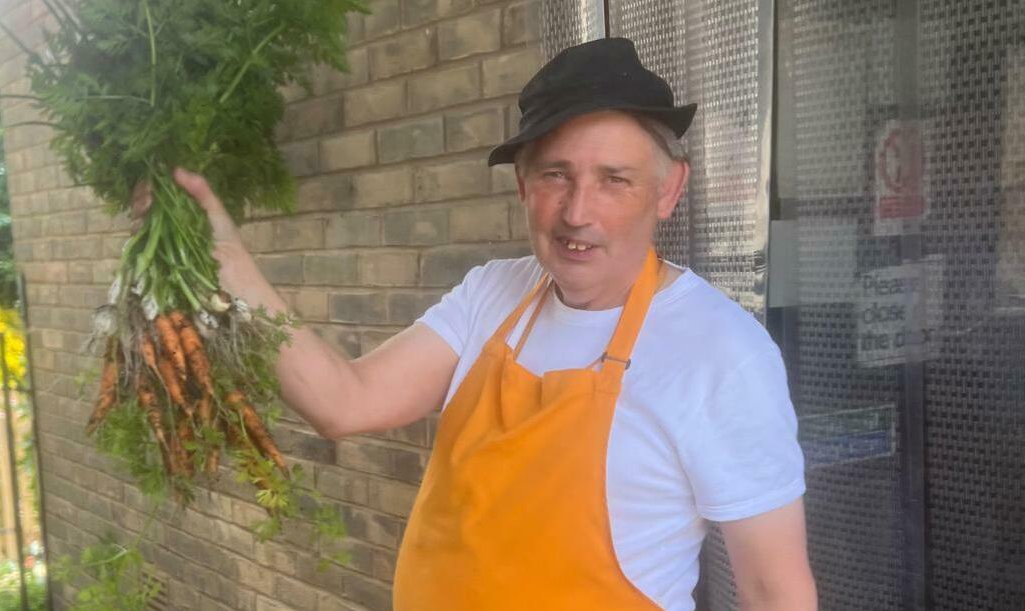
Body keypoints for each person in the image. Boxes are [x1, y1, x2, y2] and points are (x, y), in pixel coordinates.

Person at [139, 37, 816, 611]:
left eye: (615, 179)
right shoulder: (492, 292)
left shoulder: (719, 352)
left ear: (668, 190)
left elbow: (774, 590)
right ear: (522, 183)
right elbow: (342, 401)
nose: (579, 212)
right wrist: (224, 256)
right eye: (556, 174)